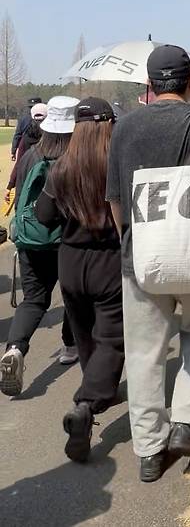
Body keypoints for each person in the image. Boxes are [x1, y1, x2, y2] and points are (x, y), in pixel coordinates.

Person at [106, 45, 190, 483]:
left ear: (149, 84)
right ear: (188, 82)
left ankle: (149, 450)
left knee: (145, 352)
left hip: (142, 256)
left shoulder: (124, 128)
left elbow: (115, 201)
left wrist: (129, 240)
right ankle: (186, 422)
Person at [35, 97, 124, 463]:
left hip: (70, 262)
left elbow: (43, 216)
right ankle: (87, 404)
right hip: (109, 261)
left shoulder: (62, 168)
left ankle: (93, 392)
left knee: (85, 335)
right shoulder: (119, 164)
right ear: (109, 126)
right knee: (112, 339)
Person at [0, 96, 79, 398]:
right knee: (72, 295)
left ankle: (16, 348)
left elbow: (21, 196)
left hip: (31, 238)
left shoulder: (31, 154)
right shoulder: (74, 158)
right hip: (66, 239)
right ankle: (70, 346)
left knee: (34, 299)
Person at [5, 103, 47, 200]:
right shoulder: (53, 137)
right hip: (46, 185)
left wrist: (10, 185)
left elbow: (19, 163)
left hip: (26, 183)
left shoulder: (26, 138)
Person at [11, 96, 43, 160]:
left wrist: (13, 151)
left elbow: (17, 135)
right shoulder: (46, 118)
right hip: (41, 147)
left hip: (25, 147)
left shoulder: (23, 118)